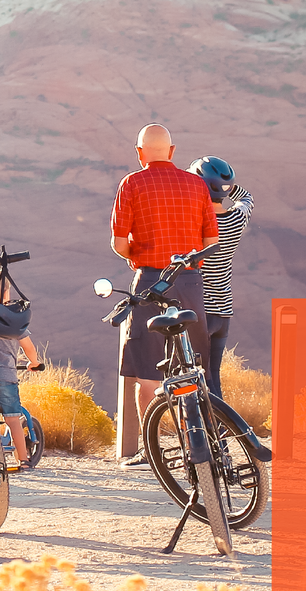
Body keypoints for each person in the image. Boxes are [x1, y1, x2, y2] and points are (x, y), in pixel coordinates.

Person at [110, 123, 218, 468]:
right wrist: (186, 260)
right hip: (189, 282)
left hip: (149, 283)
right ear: (172, 152)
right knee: (193, 366)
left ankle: (151, 450)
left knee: (146, 372)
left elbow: (119, 241)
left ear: (140, 153)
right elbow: (210, 241)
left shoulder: (132, 183)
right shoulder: (197, 184)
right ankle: (198, 446)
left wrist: (136, 260)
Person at [187, 156, 251, 399]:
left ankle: (208, 434)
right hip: (223, 312)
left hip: (200, 311)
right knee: (213, 376)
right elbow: (248, 199)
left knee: (199, 379)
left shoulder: (197, 222)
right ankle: (219, 435)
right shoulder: (237, 219)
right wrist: (229, 187)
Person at [0, 265, 42, 469]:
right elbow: (27, 345)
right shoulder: (12, 318)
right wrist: (34, 362)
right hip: (6, 376)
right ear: (4, 292)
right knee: (13, 418)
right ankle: (23, 460)